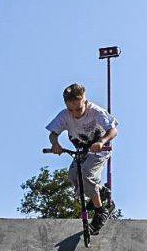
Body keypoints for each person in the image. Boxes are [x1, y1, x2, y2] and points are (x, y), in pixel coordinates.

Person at [46, 83, 119, 233]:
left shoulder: (96, 111)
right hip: (82, 151)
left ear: (85, 102)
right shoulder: (64, 115)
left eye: (78, 109)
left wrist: (102, 141)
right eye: (70, 109)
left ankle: (101, 211)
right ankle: (101, 191)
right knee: (73, 176)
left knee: (86, 174)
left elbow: (113, 130)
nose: (75, 114)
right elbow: (53, 134)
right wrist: (55, 144)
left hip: (100, 150)